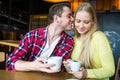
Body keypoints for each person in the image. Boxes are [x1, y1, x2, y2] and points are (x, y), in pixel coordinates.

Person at [6, 3, 74, 73]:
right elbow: (10, 62)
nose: (72, 19)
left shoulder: (68, 41)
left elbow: (56, 66)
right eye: (69, 16)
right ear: (56, 18)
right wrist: (33, 66)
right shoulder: (32, 35)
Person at [63, 2, 115, 80]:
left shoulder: (99, 37)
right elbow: (76, 72)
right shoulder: (73, 39)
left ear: (93, 22)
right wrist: (69, 67)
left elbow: (110, 70)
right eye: (78, 21)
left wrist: (87, 73)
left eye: (86, 22)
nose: (81, 26)